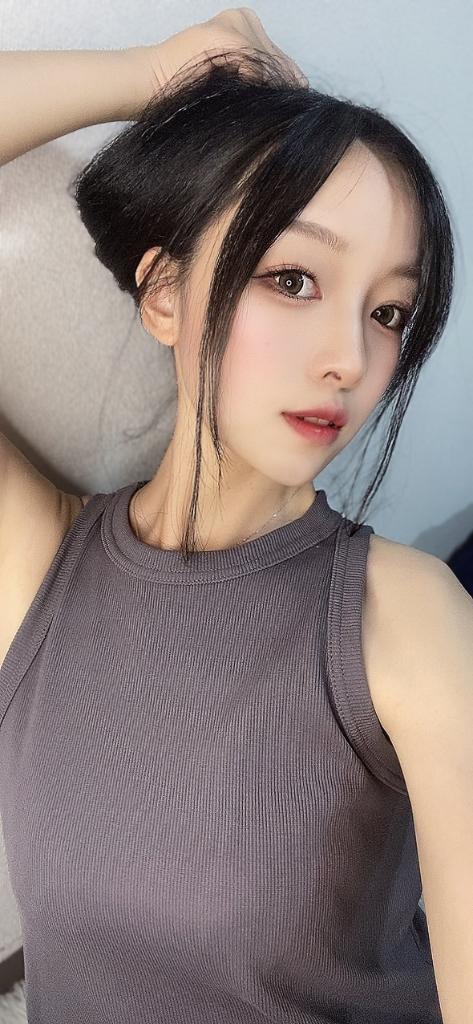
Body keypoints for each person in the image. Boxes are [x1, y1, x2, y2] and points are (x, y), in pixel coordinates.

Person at [0, 8, 471, 1023]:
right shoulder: (40, 567)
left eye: (388, 311)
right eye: (292, 278)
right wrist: (150, 72)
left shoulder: (406, 617)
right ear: (163, 293)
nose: (351, 358)